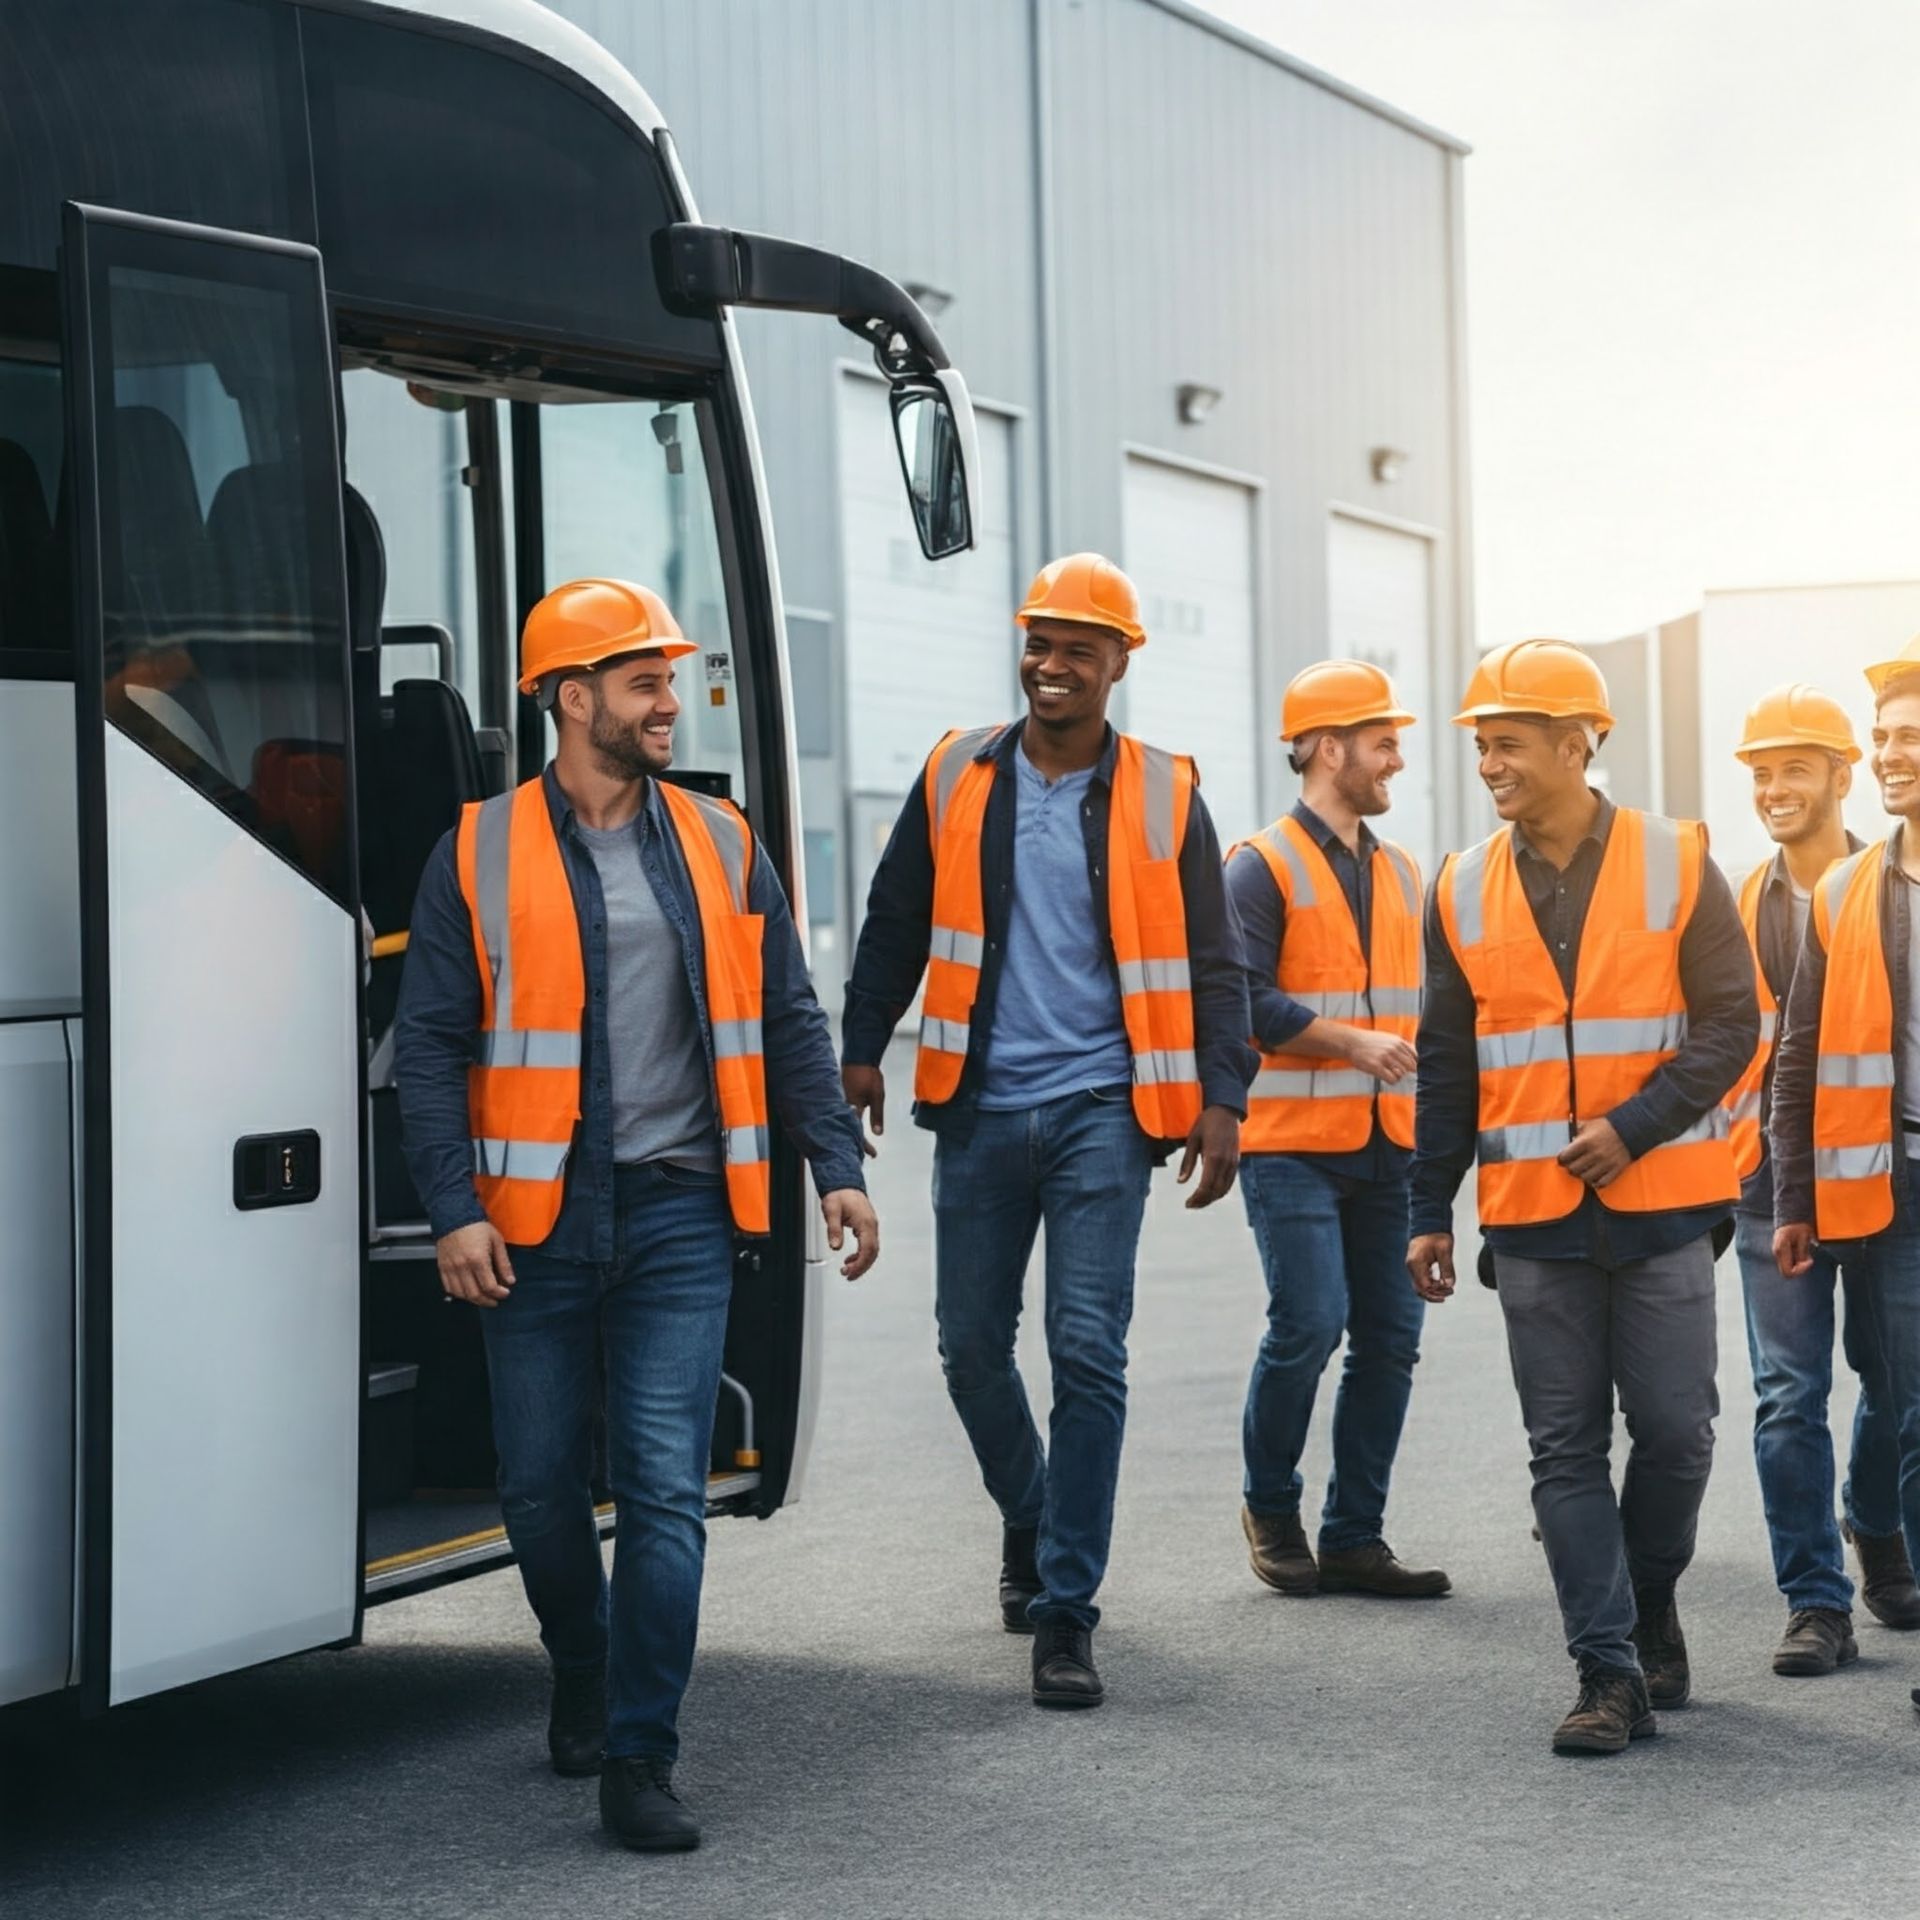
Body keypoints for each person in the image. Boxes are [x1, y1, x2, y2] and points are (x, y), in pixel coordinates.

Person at [393, 578, 876, 1853]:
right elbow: (432, 1045)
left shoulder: (721, 839)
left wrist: (838, 1164)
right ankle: (582, 1664)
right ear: (571, 697)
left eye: (672, 678)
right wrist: (452, 1210)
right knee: (541, 1490)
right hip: (533, 1221)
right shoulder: (476, 849)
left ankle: (640, 1751)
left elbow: (789, 1015)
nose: (674, 700)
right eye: (646, 680)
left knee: (664, 1491)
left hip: (678, 1214)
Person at [840, 552, 1252, 1710]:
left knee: (1086, 1350)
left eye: (1078, 647)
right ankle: (1033, 1511)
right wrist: (862, 1042)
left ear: (1120, 662)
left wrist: (1224, 1098)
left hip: (1102, 1115)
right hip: (978, 1106)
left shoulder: (1171, 794)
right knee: (969, 1348)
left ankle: (1066, 1609)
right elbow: (895, 917)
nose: (1051, 665)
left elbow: (1218, 964)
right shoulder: (955, 773)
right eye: (1038, 641)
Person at [1405, 639, 1757, 1757]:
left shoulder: (1677, 861)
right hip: (1533, 1222)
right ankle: (1606, 1670)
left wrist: (1635, 1126)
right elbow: (1447, 1064)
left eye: (1506, 742)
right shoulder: (1458, 887)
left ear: (1577, 742)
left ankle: (1649, 1599)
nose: (1489, 763)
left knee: (1677, 1435)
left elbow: (1733, 1024)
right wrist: (1428, 1208)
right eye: (1481, 745)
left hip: (1662, 1208)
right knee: (1562, 1448)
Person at [1230, 660, 1449, 1600]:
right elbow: (1239, 997)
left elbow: (1434, 1012)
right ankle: (1270, 1507)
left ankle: (1355, 1534)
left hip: (1389, 1147)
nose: (1397, 759)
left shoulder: (1402, 869)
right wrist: (1346, 1043)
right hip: (1289, 1145)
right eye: (1383, 743)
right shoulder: (1259, 864)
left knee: (1391, 1340)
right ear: (1329, 749)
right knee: (1309, 1325)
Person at [1725, 685, 1920, 1677]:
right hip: (1770, 1189)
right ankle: (1815, 1600)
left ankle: (1875, 1524)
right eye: (1760, 774)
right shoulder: (1735, 905)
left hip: (1881, 1182)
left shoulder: (1880, 888)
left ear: (1842, 777)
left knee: (1894, 1385)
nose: (1773, 790)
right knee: (1788, 1394)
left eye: (1794, 769)